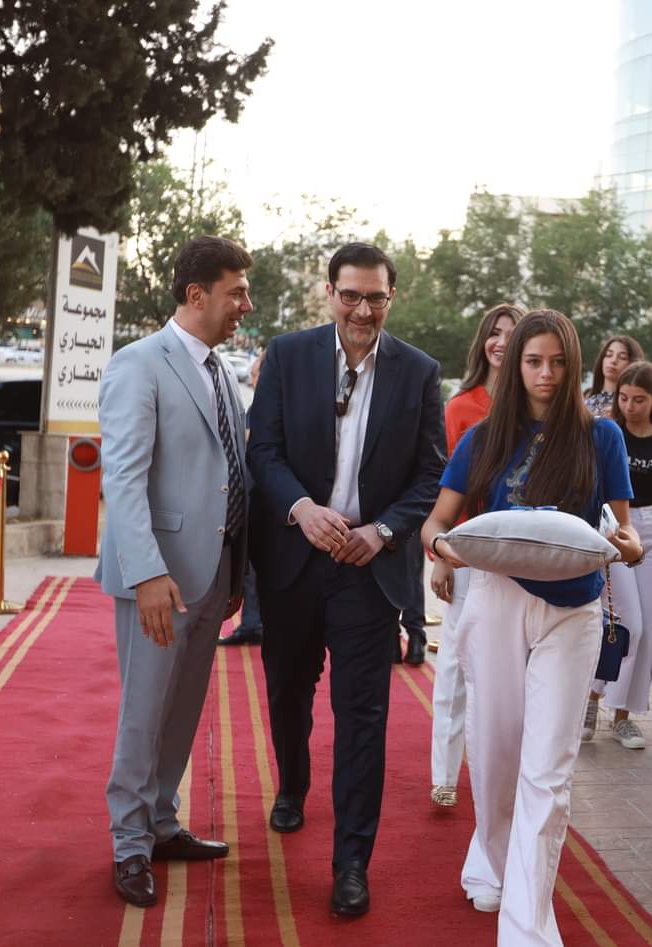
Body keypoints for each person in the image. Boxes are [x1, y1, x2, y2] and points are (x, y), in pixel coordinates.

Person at [421, 310, 642, 946]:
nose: (546, 374)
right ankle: (490, 862)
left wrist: (625, 549)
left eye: (558, 362)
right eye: (534, 361)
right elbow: (435, 524)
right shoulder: (485, 436)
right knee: (494, 757)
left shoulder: (601, 437)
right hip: (495, 599)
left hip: (574, 610)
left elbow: (624, 530)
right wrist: (447, 552)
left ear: (574, 366)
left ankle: (527, 927)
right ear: (514, 364)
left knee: (548, 770)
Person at [246, 242, 445, 916]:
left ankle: (352, 862)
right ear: (329, 293)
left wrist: (383, 530)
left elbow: (431, 474)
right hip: (294, 560)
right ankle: (293, 783)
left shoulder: (419, 372)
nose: (363, 310)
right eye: (351, 295)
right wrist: (301, 510)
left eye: (375, 297)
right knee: (288, 691)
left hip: (369, 569)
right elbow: (263, 450)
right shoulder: (288, 355)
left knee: (363, 716)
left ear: (392, 298)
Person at [97, 236, 253, 907]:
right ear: (196, 294)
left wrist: (235, 572)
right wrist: (145, 574)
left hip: (212, 574)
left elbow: (227, 473)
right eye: (236, 292)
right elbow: (124, 478)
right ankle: (129, 842)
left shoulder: (221, 372)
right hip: (156, 581)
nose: (246, 304)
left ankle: (161, 821)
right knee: (144, 712)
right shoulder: (138, 364)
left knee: (183, 709)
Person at [429, 302, 523, 807]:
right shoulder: (461, 407)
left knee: (511, 671)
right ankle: (444, 775)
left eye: (512, 332)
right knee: (455, 664)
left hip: (523, 557)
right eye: (494, 332)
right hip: (467, 550)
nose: (501, 341)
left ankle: (504, 773)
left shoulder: (539, 409)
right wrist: (444, 555)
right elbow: (446, 491)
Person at [581, 361, 652, 749]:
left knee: (648, 632)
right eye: (624, 398)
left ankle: (623, 716)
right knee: (626, 624)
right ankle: (592, 697)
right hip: (614, 528)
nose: (629, 406)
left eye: (638, 399)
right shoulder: (608, 433)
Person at [220, 352, 265, 646]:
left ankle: (254, 623)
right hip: (246, 496)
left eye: (255, 374)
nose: (251, 380)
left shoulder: (269, 407)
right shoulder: (255, 405)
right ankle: (251, 622)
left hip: (263, 500)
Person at [583, 334, 644, 419]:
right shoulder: (587, 402)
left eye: (622, 357)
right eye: (609, 355)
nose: (613, 361)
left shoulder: (631, 406)